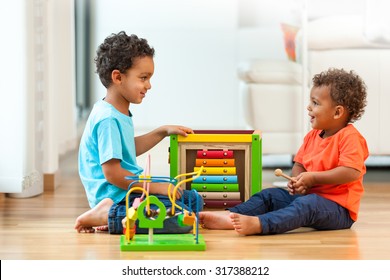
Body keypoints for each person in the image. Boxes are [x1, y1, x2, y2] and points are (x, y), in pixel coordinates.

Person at [199, 68, 369, 236]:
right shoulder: (312, 136)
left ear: (337, 112)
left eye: (315, 103)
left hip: (338, 210)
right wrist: (297, 180)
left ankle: (260, 224)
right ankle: (231, 216)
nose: (308, 107)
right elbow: (299, 164)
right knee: (269, 195)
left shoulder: (350, 137)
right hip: (308, 199)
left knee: (308, 205)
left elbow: (351, 172)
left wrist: (313, 178)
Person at [74, 31, 203, 234]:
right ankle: (109, 215)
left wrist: (161, 132)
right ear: (118, 77)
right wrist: (155, 187)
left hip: (128, 192)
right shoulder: (108, 118)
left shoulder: (116, 112)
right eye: (143, 78)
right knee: (182, 219)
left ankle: (117, 215)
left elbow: (126, 149)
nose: (149, 85)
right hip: (117, 197)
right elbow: (113, 174)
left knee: (192, 201)